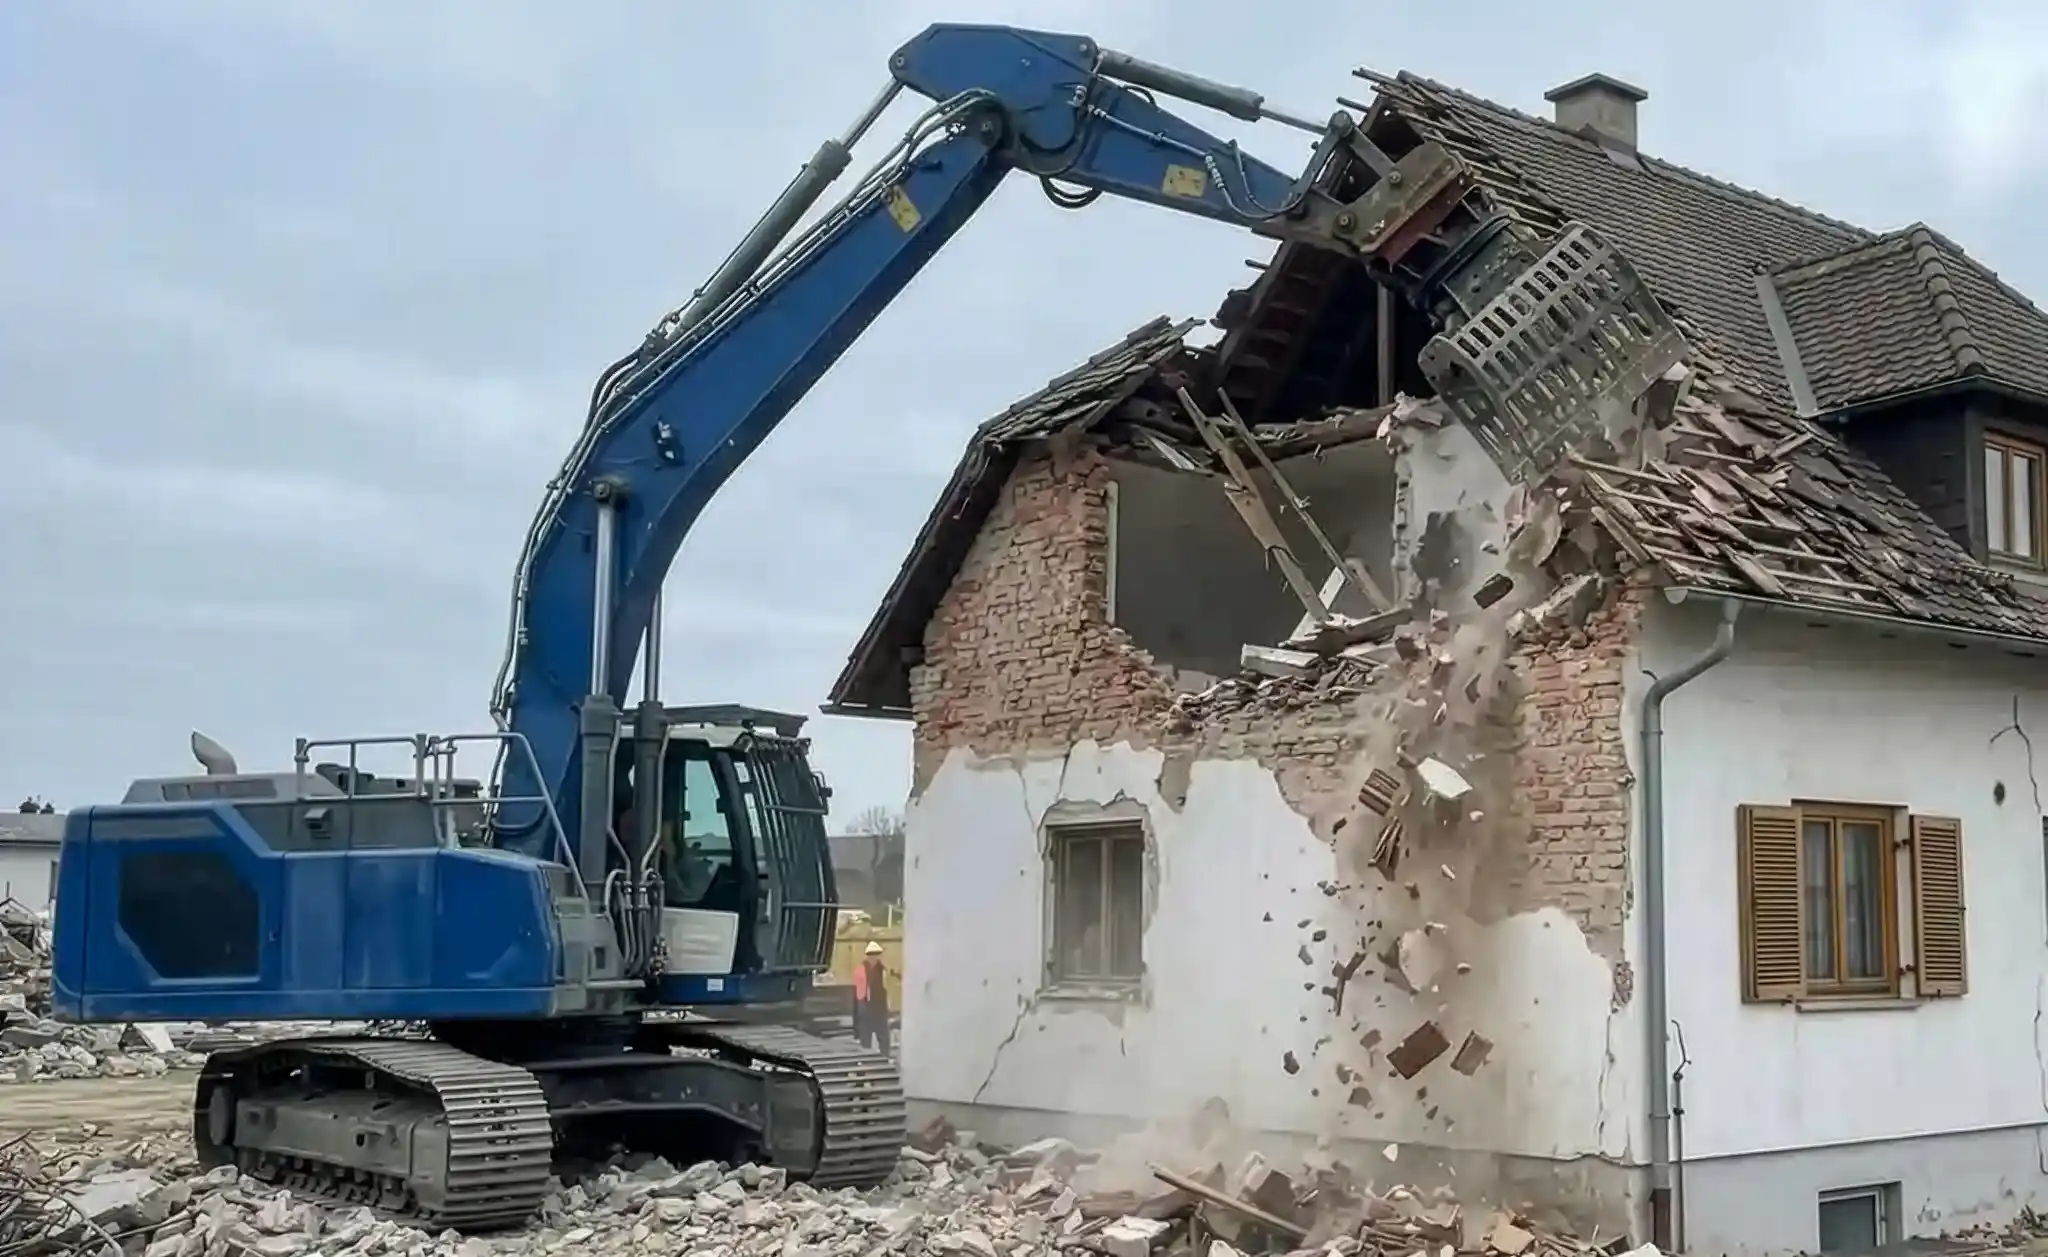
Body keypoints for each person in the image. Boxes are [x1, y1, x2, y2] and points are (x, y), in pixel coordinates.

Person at [853, 941, 893, 1057]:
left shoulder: (882, 970)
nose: (874, 957)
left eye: (876, 954)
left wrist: (888, 1008)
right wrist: (860, 1012)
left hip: (880, 1009)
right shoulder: (861, 970)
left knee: (884, 1039)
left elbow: (886, 989)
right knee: (865, 1041)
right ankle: (864, 1065)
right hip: (866, 1009)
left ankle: (885, 1060)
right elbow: (858, 994)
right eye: (872, 954)